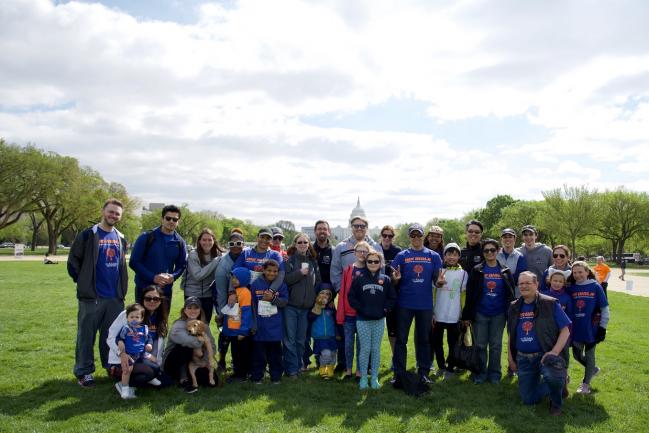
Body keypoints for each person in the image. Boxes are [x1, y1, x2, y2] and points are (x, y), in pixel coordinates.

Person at [67, 198, 128, 387]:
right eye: (111, 212)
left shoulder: (120, 237)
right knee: (86, 336)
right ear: (103, 211)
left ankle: (110, 366)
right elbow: (73, 262)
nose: (113, 216)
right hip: (92, 297)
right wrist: (84, 283)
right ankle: (84, 372)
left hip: (114, 297)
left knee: (111, 336)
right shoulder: (88, 235)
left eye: (117, 213)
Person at [507, 272, 571, 416]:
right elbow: (511, 334)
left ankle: (556, 402)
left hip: (545, 355)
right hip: (523, 358)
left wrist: (554, 352)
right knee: (528, 399)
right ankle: (561, 383)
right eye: (521, 283)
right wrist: (510, 358)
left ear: (536, 285)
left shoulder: (550, 303)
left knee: (552, 377)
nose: (523, 286)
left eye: (527, 283)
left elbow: (565, 330)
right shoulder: (514, 306)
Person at [391, 223, 442, 384]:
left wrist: (440, 282)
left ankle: (424, 372)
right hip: (404, 304)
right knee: (401, 340)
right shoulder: (401, 256)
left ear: (423, 236)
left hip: (425, 305)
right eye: (413, 235)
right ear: (409, 237)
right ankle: (399, 372)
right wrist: (395, 279)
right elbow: (393, 280)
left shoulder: (433, 256)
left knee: (424, 340)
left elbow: (437, 280)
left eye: (418, 235)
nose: (416, 238)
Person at [330, 215, 380, 373]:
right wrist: (342, 291)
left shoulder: (375, 246)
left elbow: (380, 272)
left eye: (362, 226)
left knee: (365, 339)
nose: (359, 228)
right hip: (347, 301)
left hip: (368, 301)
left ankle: (364, 367)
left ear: (367, 227)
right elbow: (335, 271)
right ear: (351, 227)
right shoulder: (341, 247)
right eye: (356, 226)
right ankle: (345, 365)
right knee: (348, 337)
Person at [462, 238, 515, 384]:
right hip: (480, 313)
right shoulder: (477, 270)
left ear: (497, 251)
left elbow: (510, 294)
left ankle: (494, 375)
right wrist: (467, 314)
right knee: (480, 344)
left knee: (496, 345)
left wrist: (510, 312)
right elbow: (470, 294)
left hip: (498, 314)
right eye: (486, 250)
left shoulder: (505, 270)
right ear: (483, 253)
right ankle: (480, 373)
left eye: (492, 250)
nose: (490, 253)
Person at [348, 250, 397, 390]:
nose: (373, 264)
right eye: (370, 261)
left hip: (379, 320)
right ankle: (363, 377)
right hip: (363, 320)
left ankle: (374, 377)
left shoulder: (386, 279)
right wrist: (360, 308)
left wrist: (385, 310)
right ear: (366, 263)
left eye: (376, 261)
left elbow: (392, 298)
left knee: (375, 349)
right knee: (365, 349)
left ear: (380, 263)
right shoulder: (359, 278)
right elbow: (351, 297)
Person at [107, 285, 169, 391]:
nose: (152, 301)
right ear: (142, 299)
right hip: (124, 358)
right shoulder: (129, 314)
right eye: (148, 298)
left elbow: (158, 347)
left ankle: (130, 382)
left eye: (156, 299)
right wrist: (121, 353)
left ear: (160, 301)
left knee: (166, 382)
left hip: (143, 357)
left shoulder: (160, 318)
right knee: (152, 371)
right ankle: (121, 379)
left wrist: (158, 364)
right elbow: (111, 337)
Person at [129, 204, 187, 303]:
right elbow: (134, 262)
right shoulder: (146, 237)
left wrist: (173, 276)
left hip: (165, 291)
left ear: (178, 222)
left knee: (163, 319)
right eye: (168, 218)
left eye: (175, 219)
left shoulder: (180, 242)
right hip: (144, 290)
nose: (171, 221)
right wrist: (153, 277)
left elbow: (182, 265)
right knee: (142, 318)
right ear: (162, 219)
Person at [567, 261, 610, 395]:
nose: (578, 275)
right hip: (576, 328)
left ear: (587, 272)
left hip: (592, 328)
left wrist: (602, 327)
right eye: (575, 272)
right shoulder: (571, 288)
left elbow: (604, 308)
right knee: (576, 355)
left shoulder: (595, 287)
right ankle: (593, 369)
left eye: (580, 272)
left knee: (590, 355)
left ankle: (585, 384)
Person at [283, 233, 320, 378]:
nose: (303, 244)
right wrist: (299, 273)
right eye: (300, 242)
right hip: (291, 307)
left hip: (306, 308)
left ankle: (298, 366)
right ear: (295, 244)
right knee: (289, 339)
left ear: (309, 244)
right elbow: (285, 280)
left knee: (301, 339)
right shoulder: (289, 261)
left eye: (305, 242)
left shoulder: (313, 262)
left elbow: (318, 282)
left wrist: (314, 296)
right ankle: (291, 369)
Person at [162, 296, 216, 393]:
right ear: (184, 310)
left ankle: (191, 377)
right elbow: (188, 341)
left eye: (196, 308)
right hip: (173, 362)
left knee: (210, 381)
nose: (193, 311)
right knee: (185, 348)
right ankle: (183, 379)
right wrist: (203, 341)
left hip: (195, 361)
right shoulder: (178, 325)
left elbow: (212, 346)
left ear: (200, 310)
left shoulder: (204, 326)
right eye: (189, 308)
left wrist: (204, 360)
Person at [431, 243, 467, 378]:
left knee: (453, 343)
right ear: (444, 256)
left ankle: (451, 368)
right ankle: (441, 366)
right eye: (449, 254)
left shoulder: (463, 274)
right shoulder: (437, 271)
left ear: (459, 256)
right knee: (437, 343)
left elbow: (463, 295)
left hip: (454, 315)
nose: (452, 257)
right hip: (438, 314)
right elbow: (433, 293)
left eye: (455, 254)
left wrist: (463, 314)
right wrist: (432, 313)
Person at [336, 240, 370, 380]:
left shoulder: (370, 269)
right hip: (349, 314)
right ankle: (349, 370)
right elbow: (343, 292)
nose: (362, 254)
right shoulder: (348, 270)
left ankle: (359, 371)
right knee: (348, 344)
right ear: (354, 253)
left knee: (361, 345)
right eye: (359, 251)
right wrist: (341, 313)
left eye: (365, 251)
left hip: (363, 314)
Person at [250, 259, 288, 384]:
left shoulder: (281, 285)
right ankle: (257, 377)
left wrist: (273, 298)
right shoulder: (256, 284)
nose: (272, 273)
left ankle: (276, 377)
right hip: (260, 327)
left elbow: (284, 302)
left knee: (275, 355)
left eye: (275, 271)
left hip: (275, 327)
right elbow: (252, 305)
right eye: (269, 271)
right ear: (263, 270)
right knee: (258, 356)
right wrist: (254, 323)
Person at [214, 228, 245, 371]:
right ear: (228, 245)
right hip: (228, 303)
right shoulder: (222, 264)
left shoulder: (246, 256)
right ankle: (221, 360)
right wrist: (221, 312)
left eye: (239, 243)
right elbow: (220, 291)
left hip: (244, 302)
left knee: (241, 334)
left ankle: (237, 360)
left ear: (243, 243)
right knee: (226, 333)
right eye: (232, 244)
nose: (236, 246)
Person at [114, 303, 159, 399]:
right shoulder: (126, 328)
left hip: (142, 353)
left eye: (137, 317)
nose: (134, 319)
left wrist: (149, 344)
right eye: (131, 317)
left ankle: (151, 377)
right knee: (128, 369)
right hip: (130, 354)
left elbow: (149, 339)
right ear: (127, 318)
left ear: (141, 318)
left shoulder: (145, 329)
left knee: (154, 361)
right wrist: (120, 343)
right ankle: (125, 387)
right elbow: (119, 338)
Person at [181, 228, 224, 324]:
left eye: (210, 240)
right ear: (199, 241)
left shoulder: (217, 254)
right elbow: (198, 275)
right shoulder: (193, 255)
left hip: (208, 294)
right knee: (192, 323)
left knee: (205, 323)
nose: (207, 242)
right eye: (204, 240)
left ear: (214, 241)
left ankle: (204, 339)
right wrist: (215, 261)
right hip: (192, 293)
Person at [307, 219, 333, 369]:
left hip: (328, 296)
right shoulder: (310, 250)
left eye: (325, 229)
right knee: (309, 326)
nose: (322, 231)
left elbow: (336, 274)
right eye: (319, 229)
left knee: (326, 326)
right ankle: (307, 359)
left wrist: (331, 297)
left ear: (328, 231)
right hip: (310, 295)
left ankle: (327, 358)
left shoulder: (333, 251)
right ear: (315, 231)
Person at [223, 267, 255, 382]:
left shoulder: (245, 293)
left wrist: (243, 331)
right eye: (233, 278)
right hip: (233, 331)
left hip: (240, 332)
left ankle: (242, 375)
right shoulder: (235, 292)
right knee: (235, 353)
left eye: (236, 278)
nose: (233, 280)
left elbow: (246, 313)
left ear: (244, 279)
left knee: (242, 354)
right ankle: (238, 372)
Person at [376, 225, 402, 357]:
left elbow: (400, 274)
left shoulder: (398, 251)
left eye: (390, 236)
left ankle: (395, 357)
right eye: (384, 235)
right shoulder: (375, 249)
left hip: (392, 294)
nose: (387, 238)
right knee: (374, 329)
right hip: (376, 294)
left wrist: (395, 279)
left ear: (393, 237)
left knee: (393, 330)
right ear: (381, 235)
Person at [309, 284, 337, 379]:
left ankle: (330, 370)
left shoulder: (331, 307)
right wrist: (318, 307)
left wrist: (338, 333)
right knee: (326, 354)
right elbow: (310, 318)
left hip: (331, 336)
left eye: (327, 294)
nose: (325, 295)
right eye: (322, 293)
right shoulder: (314, 306)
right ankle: (322, 369)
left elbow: (336, 321)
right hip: (320, 337)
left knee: (333, 355)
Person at [496, 228, 527, 297]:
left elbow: (517, 278)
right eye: (505, 237)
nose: (507, 239)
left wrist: (498, 277)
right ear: (501, 239)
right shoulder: (495, 254)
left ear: (514, 239)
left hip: (514, 295)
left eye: (510, 237)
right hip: (497, 294)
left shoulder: (520, 257)